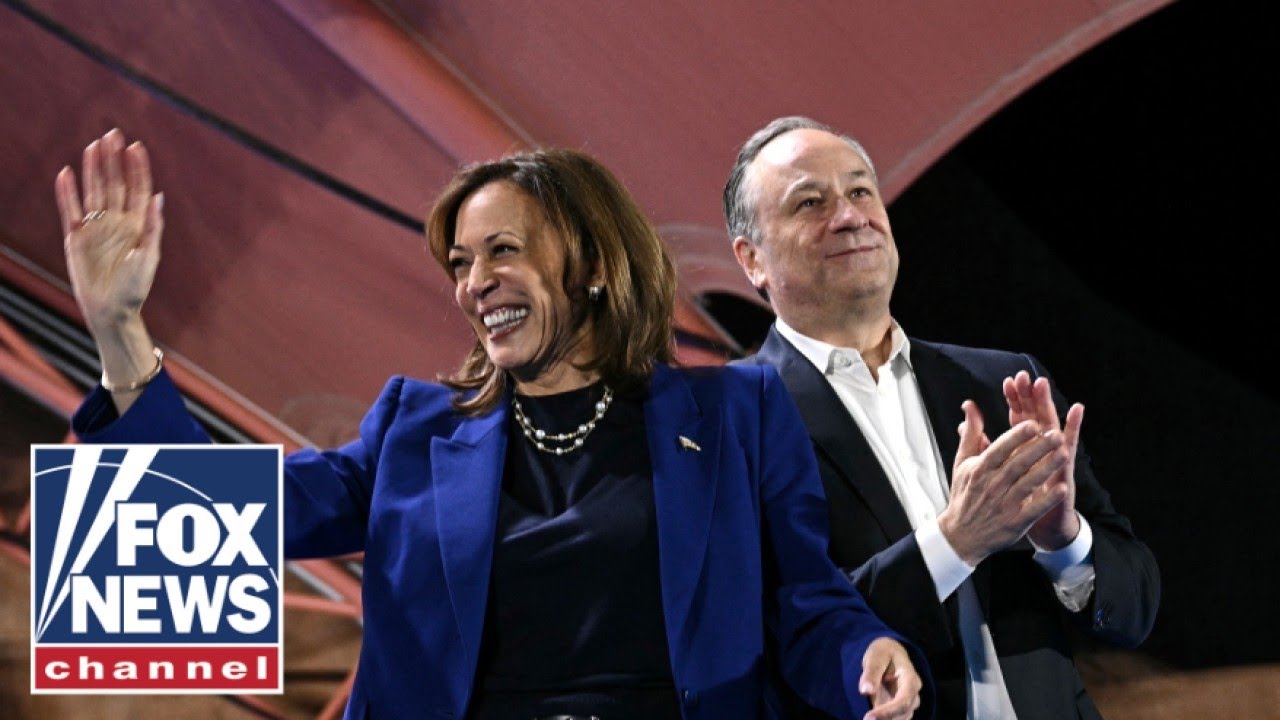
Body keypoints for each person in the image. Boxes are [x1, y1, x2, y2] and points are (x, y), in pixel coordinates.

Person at [56, 129, 933, 720]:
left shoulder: (736, 410)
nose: (474, 282)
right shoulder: (413, 429)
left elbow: (807, 599)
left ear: (590, 265)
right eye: (461, 263)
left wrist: (867, 648)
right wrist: (119, 330)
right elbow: (213, 525)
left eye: (503, 252)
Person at [724, 117, 1159, 720]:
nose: (850, 216)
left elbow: (1135, 608)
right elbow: (772, 635)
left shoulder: (999, 381)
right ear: (751, 259)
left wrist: (1064, 541)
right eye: (809, 202)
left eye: (859, 191)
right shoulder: (729, 418)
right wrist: (954, 543)